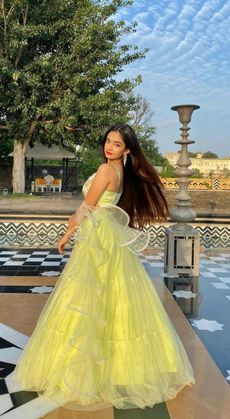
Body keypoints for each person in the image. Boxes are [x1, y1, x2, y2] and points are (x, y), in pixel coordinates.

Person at [13, 124, 195, 411]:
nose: (109, 147)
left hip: (98, 240)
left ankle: (83, 369)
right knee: (115, 297)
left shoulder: (106, 171)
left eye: (117, 144)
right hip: (108, 237)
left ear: (127, 150)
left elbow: (86, 207)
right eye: (108, 141)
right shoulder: (122, 172)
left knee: (87, 298)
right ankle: (120, 367)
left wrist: (65, 235)